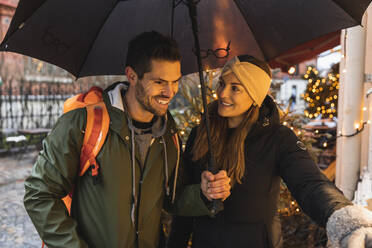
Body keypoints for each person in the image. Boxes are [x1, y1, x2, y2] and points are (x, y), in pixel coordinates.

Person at [23, 31, 231, 248]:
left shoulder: (168, 133)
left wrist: (203, 194)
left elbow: (172, 198)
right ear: (132, 76)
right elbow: (39, 195)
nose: (170, 92)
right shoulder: (82, 123)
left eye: (175, 81)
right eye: (159, 82)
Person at [168, 55, 372, 248]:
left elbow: (310, 183)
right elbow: (182, 202)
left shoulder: (278, 138)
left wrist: (343, 216)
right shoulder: (200, 133)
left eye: (235, 88)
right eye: (222, 83)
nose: (222, 93)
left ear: (255, 95)